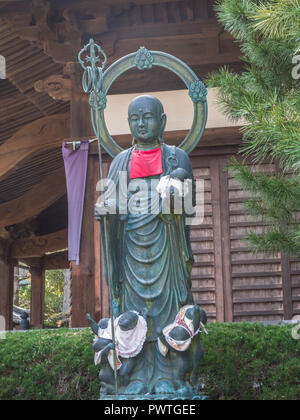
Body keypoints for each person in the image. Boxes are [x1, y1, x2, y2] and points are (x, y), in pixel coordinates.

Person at [95, 95, 198, 395]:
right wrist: (106, 212)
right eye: (135, 118)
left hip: (167, 245)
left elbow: (189, 206)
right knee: (133, 316)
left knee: (167, 312)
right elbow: (111, 203)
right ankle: (135, 377)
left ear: (162, 121)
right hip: (130, 249)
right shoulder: (119, 162)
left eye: (148, 117)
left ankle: (168, 376)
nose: (141, 123)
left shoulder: (177, 157)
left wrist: (179, 186)